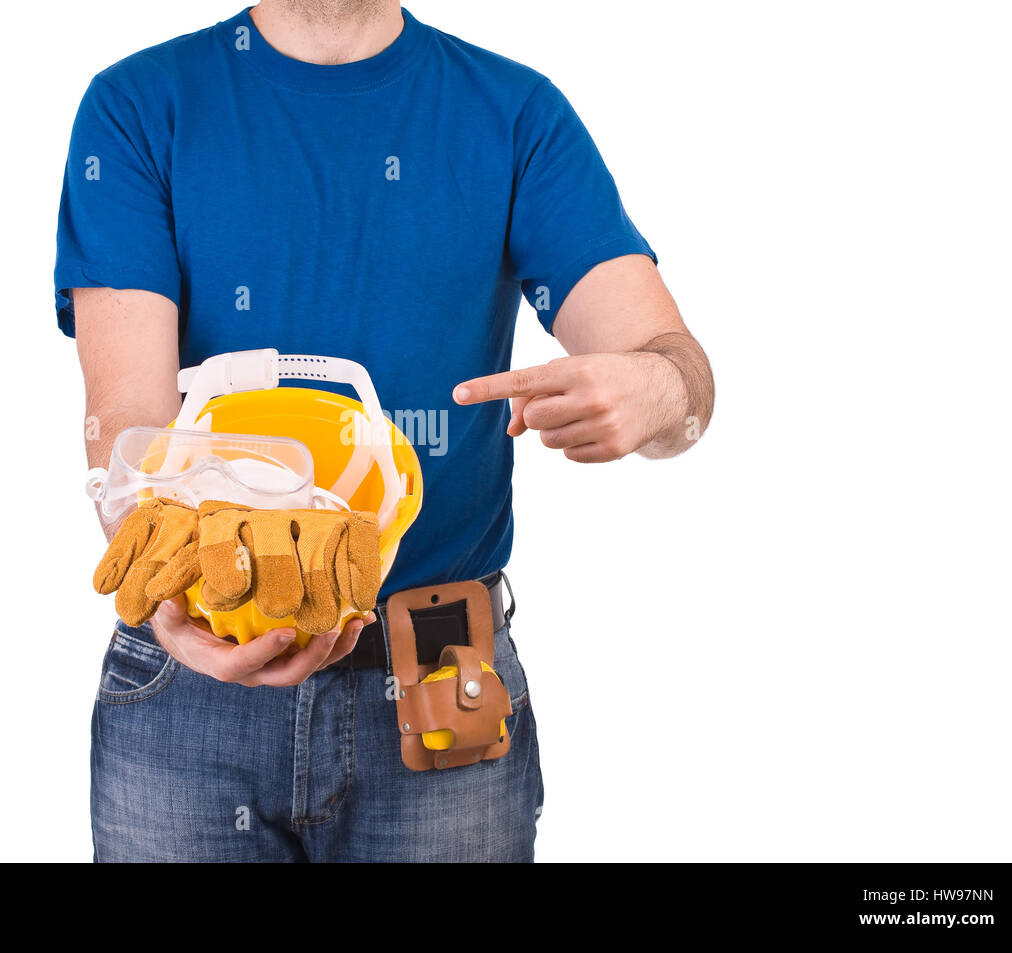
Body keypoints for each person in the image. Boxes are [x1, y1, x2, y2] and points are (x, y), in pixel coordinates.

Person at [54, 0, 714, 862]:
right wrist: (171, 589)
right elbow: (131, 429)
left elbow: (677, 371)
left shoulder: (515, 115)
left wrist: (656, 390)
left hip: (442, 668)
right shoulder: (139, 106)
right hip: (196, 670)